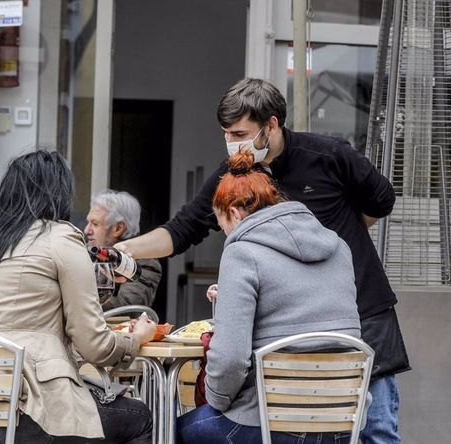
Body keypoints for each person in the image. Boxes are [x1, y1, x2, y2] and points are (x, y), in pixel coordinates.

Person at [115, 78, 409, 444]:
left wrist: (342, 239)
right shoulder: (234, 176)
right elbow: (183, 229)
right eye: (226, 134)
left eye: (240, 132)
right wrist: (124, 251)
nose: (233, 143)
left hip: (362, 311)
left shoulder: (330, 156)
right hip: (289, 334)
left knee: (375, 430)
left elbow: (380, 201)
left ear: (271, 125)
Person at [0, 150, 156, 443]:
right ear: (59, 194)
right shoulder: (60, 239)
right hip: (23, 413)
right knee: (138, 417)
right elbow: (95, 346)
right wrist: (136, 338)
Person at [177, 150, 361, 443]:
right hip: (341, 424)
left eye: (222, 226)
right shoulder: (339, 248)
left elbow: (229, 361)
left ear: (235, 213)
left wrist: (216, 400)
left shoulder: (241, 252)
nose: (226, 235)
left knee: (167, 431)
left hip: (267, 424)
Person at [84, 189, 162, 310]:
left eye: (95, 224)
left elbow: (128, 307)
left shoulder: (144, 261)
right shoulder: (88, 252)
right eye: (88, 222)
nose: (86, 230)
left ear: (118, 228)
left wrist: (78, 300)